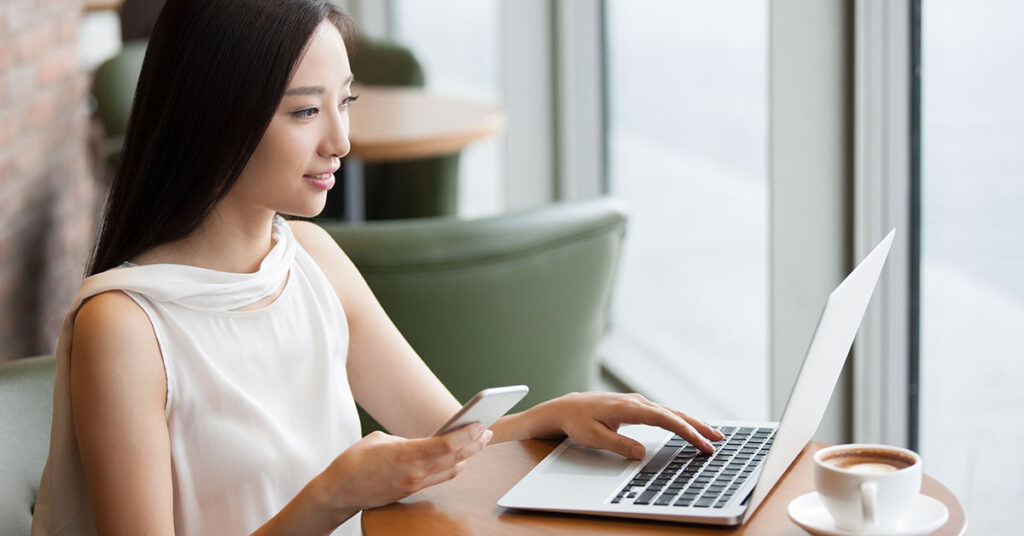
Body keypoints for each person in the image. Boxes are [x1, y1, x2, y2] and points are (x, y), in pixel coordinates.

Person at [33, 1, 723, 534]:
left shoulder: (311, 260)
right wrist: (333, 497)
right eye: (306, 111)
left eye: (345, 103)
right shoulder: (125, 328)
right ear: (215, 116)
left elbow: (443, 440)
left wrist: (555, 415)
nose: (341, 140)